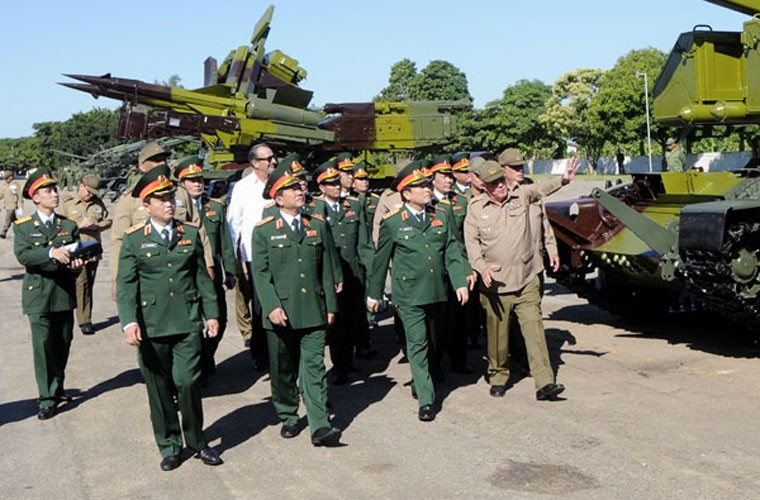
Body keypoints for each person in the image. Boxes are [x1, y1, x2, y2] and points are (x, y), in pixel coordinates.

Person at [116, 165, 222, 471]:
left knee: (188, 382)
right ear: (146, 205)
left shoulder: (188, 234)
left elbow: (202, 278)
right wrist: (129, 322)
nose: (169, 203)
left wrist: (211, 313)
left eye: (170, 198)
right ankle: (170, 445)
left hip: (187, 321)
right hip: (151, 325)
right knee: (159, 389)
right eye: (160, 199)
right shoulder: (134, 239)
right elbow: (126, 286)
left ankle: (197, 441)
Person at [464, 153, 578, 401]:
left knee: (534, 330)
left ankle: (545, 382)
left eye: (501, 181)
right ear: (484, 186)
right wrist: (481, 267)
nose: (500, 186)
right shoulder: (475, 210)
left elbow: (541, 189)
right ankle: (498, 375)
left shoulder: (522, 195)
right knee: (497, 337)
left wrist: (564, 180)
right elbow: (472, 245)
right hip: (496, 285)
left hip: (526, 278)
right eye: (493, 183)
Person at [367, 160, 470, 422]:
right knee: (418, 343)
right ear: (406, 193)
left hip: (437, 291)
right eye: (420, 185)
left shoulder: (442, 214)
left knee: (435, 342)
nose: (427, 189)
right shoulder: (393, 223)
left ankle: (421, 378)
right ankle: (426, 399)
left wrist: (459, 281)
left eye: (427, 184)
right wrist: (374, 294)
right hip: (409, 294)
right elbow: (380, 262)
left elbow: (453, 251)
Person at [251, 163, 343, 446]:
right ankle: (289, 414)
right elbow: (261, 275)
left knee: (314, 367)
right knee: (283, 368)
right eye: (291, 188)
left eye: (298, 186)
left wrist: (330, 306)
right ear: (278, 198)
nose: (299, 191)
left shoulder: (316, 225)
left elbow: (327, 268)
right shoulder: (264, 231)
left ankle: (319, 424)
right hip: (281, 312)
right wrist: (271, 306)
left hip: (313, 308)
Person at [13, 168, 84, 420]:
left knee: (62, 342)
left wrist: (77, 263)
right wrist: (51, 253)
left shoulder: (68, 225)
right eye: (48, 191)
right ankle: (46, 397)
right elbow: (24, 255)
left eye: (54, 190)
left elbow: (77, 255)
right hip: (38, 295)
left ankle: (57, 386)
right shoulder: (23, 227)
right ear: (36, 198)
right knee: (43, 347)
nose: (54, 194)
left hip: (63, 293)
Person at [110, 141, 212, 298]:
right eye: (156, 160)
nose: (162, 163)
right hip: (147, 276)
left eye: (164, 159)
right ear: (142, 166)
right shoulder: (130, 199)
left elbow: (199, 230)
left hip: (182, 274)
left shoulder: (180, 193)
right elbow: (118, 241)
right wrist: (117, 278)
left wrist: (208, 265)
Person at [175, 157, 237, 384]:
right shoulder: (175, 209)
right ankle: (197, 365)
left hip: (212, 275)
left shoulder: (216, 207)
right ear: (182, 184)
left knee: (219, 319)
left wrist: (230, 270)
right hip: (189, 276)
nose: (197, 184)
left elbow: (225, 241)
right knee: (193, 324)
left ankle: (205, 356)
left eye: (199, 179)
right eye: (191, 180)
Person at [313, 159, 370, 384]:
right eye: (330, 183)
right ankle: (339, 366)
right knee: (336, 324)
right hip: (330, 277)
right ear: (321, 187)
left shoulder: (353, 206)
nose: (337, 186)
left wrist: (370, 271)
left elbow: (363, 243)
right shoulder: (314, 210)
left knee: (353, 320)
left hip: (353, 273)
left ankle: (350, 360)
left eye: (338, 182)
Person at [226, 142, 277, 371]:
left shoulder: (280, 184)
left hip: (281, 251)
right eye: (268, 159)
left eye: (274, 158)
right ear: (255, 163)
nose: (273, 162)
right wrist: (236, 258)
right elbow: (234, 223)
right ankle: (260, 353)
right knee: (259, 305)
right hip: (254, 254)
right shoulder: (243, 188)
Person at [57, 174, 112, 335]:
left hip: (93, 250)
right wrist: (77, 225)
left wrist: (97, 225)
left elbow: (108, 220)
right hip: (75, 251)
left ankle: (84, 317)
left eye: (93, 193)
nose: (90, 195)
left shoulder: (97, 203)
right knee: (81, 284)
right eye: (88, 192)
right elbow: (59, 223)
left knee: (88, 286)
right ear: (81, 186)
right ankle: (84, 320)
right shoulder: (67, 202)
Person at [1, 169, 22, 238]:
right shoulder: (5, 185)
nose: (6, 180)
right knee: (14, 220)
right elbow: (2, 194)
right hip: (7, 205)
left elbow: (19, 195)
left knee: (8, 219)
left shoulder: (15, 185)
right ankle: (22, 230)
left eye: (7, 178)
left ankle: (3, 232)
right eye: (5, 179)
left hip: (12, 205)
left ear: (11, 177)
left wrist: (21, 205)